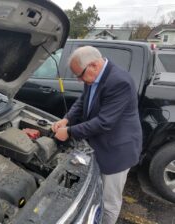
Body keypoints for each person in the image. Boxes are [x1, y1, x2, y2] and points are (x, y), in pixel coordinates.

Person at [52, 46, 142, 224]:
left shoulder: (119, 82)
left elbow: (104, 122)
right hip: (99, 144)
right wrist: (67, 119)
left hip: (116, 151)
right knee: (94, 190)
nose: (79, 81)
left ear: (93, 65)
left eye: (80, 75)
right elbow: (83, 100)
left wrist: (69, 132)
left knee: (109, 202)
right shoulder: (94, 77)